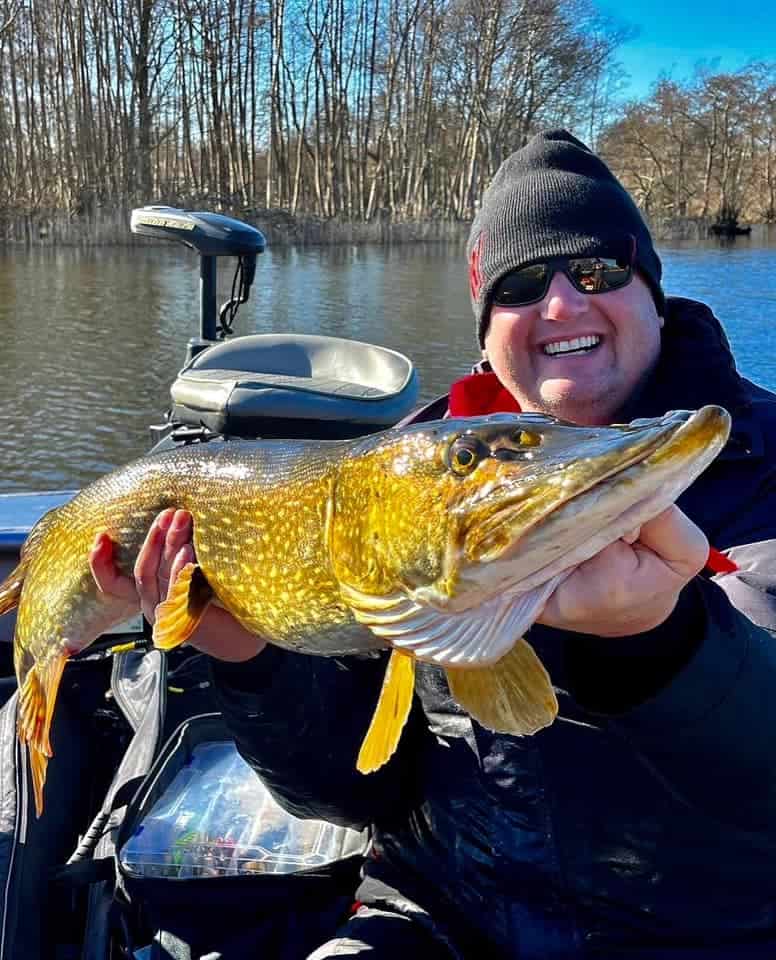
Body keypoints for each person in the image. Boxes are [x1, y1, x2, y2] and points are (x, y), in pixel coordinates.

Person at [91, 130, 776, 959]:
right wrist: (245, 655)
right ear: (487, 329)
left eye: (598, 272)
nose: (562, 305)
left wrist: (662, 646)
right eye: (522, 285)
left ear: (652, 295)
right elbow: (349, 792)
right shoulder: (409, 475)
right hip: (435, 916)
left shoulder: (758, 463)